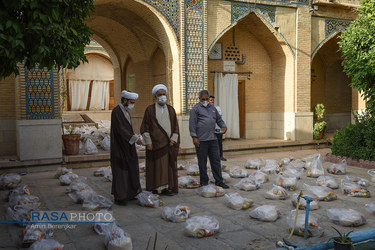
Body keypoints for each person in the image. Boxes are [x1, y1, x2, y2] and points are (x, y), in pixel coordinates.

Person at [140, 84, 180, 196]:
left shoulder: (171, 110)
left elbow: (176, 126)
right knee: (156, 167)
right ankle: (155, 188)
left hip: (168, 144)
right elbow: (145, 127)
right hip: (155, 145)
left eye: (164, 94)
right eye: (160, 94)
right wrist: (148, 142)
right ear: (155, 97)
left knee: (167, 167)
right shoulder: (150, 110)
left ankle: (167, 188)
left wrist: (173, 139)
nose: (162, 96)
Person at [189, 90, 229, 189]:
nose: (206, 101)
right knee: (202, 162)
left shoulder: (213, 108)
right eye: (203, 99)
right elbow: (192, 124)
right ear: (199, 99)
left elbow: (219, 119)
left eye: (207, 99)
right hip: (201, 140)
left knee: (216, 161)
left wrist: (223, 126)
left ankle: (219, 181)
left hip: (212, 139)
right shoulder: (195, 109)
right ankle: (204, 182)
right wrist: (194, 137)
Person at [110, 90, 143, 205]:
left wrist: (134, 138)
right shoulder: (117, 111)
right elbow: (121, 129)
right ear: (125, 100)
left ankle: (130, 193)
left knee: (131, 168)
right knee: (121, 170)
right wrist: (135, 139)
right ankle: (120, 197)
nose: (132, 104)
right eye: (131, 102)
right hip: (119, 146)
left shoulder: (126, 111)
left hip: (128, 145)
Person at [209, 95, 226, 161]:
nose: (212, 101)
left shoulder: (217, 107)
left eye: (212, 100)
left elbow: (219, 115)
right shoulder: (206, 109)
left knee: (219, 143)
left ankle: (220, 156)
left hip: (218, 128)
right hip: (210, 129)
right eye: (210, 100)